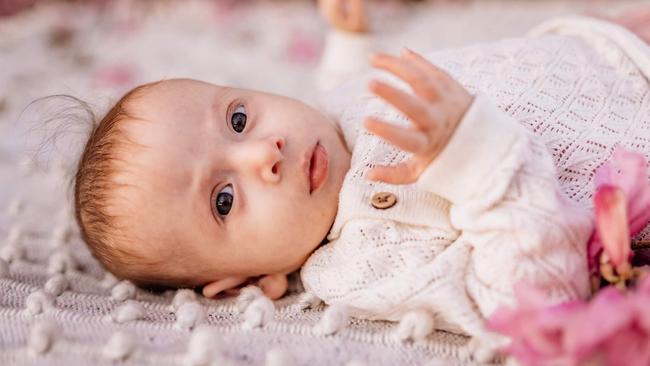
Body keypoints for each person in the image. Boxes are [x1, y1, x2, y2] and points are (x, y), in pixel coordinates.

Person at [73, 0, 650, 344]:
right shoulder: (358, 263)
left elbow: (334, 90)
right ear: (249, 283)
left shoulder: (322, 123)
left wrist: (350, 42)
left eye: (239, 116)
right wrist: (476, 161)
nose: (263, 153)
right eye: (224, 199)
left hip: (604, 44)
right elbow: (531, 295)